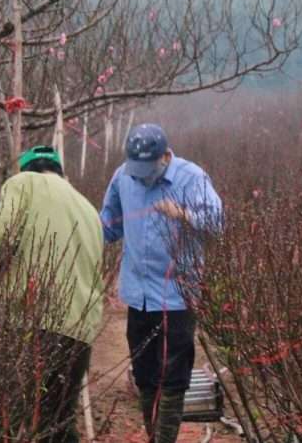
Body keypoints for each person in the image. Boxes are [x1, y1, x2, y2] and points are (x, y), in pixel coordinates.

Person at [99, 124, 223, 443]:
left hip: (177, 295)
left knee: (173, 377)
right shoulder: (123, 177)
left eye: (148, 169)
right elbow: (109, 226)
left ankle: (163, 439)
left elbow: (218, 224)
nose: (142, 176)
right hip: (137, 295)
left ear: (166, 156)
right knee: (144, 373)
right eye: (136, 170)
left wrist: (182, 213)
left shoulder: (192, 178)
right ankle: (154, 434)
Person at [0, 145, 104, 443]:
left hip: (34, 318)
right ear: (61, 173)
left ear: (27, 170)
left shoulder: (23, 183)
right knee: (58, 423)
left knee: (1, 416)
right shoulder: (88, 208)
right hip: (80, 328)